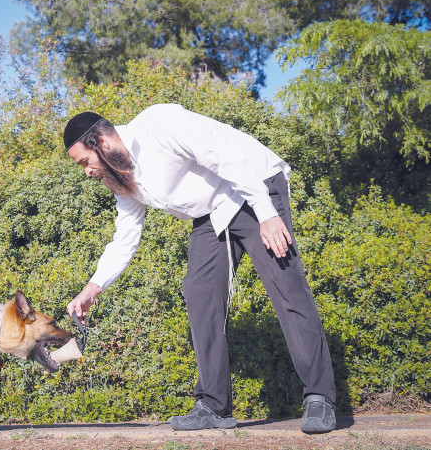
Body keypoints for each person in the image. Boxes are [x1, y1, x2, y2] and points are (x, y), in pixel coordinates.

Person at [63, 105, 337, 434]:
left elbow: (225, 157)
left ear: (102, 143)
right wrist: (92, 289)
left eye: (85, 162)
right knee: (199, 290)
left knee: (286, 285)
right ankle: (213, 405)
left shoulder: (158, 123)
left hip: (252, 186)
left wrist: (266, 212)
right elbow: (125, 238)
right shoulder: (120, 179)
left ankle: (320, 398)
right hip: (212, 211)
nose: (87, 172)